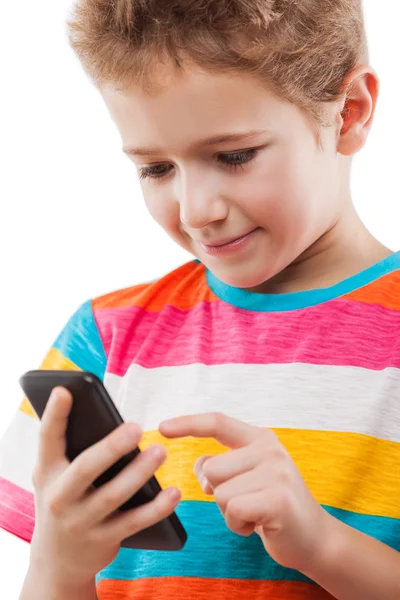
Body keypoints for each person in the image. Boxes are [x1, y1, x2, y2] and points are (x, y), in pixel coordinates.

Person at [1, 0, 399, 598]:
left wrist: (322, 546)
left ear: (350, 113)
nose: (194, 211)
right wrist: (60, 565)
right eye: (156, 169)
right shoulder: (102, 338)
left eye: (233, 156)